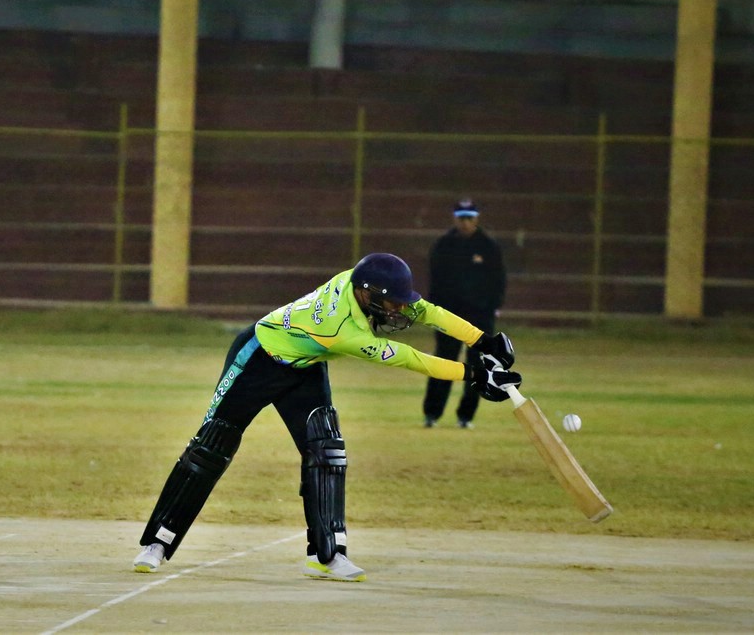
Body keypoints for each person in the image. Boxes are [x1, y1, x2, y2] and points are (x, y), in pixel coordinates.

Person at [131, 253, 519, 581]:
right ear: (366, 294)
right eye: (393, 305)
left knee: (326, 450)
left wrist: (483, 342)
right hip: (258, 359)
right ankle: (158, 542)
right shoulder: (340, 328)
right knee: (211, 446)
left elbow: (430, 312)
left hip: (305, 366)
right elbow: (408, 358)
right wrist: (473, 374)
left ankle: (327, 555)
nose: (400, 310)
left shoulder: (366, 284)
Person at [422, 199, 507, 429]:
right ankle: (432, 414)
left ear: (477, 218)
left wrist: (493, 307)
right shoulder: (443, 245)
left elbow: (498, 280)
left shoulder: (488, 246)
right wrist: (435, 313)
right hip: (449, 316)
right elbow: (435, 282)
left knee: (478, 366)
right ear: (455, 218)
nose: (465, 223)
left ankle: (466, 416)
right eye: (461, 218)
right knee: (443, 362)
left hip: (480, 317)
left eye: (470, 218)